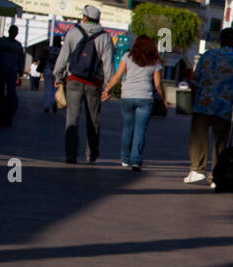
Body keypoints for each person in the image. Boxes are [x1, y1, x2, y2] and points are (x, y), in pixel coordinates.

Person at [185, 27, 233, 186]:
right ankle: (216, 176)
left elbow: (195, 81)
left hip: (203, 103)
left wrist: (194, 101)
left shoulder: (207, 55)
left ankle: (197, 170)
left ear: (220, 40)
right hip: (224, 106)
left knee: (198, 137)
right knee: (219, 143)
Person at [54, 5, 115, 163]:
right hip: (94, 83)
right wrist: (109, 86)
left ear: (85, 17)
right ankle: (91, 154)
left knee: (72, 118)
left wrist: (58, 76)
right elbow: (108, 64)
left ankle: (70, 155)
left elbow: (63, 57)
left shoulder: (73, 32)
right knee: (93, 120)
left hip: (74, 80)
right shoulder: (105, 37)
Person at [101, 34, 164, 171]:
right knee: (140, 130)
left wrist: (107, 90)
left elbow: (117, 76)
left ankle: (125, 159)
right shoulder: (154, 61)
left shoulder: (127, 57)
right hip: (145, 97)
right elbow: (158, 84)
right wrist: (163, 99)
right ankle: (136, 160)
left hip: (127, 96)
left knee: (128, 128)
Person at [0, 25, 24, 123]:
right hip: (1, 70)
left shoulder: (16, 45)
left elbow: (21, 60)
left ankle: (8, 110)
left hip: (9, 71)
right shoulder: (2, 42)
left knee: (10, 91)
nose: (13, 33)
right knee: (0, 90)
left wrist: (20, 73)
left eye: (14, 32)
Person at [42, 38, 61, 113]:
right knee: (56, 88)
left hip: (47, 69)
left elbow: (41, 56)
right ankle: (54, 102)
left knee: (48, 88)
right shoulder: (61, 50)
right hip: (57, 71)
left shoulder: (48, 49)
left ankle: (47, 105)